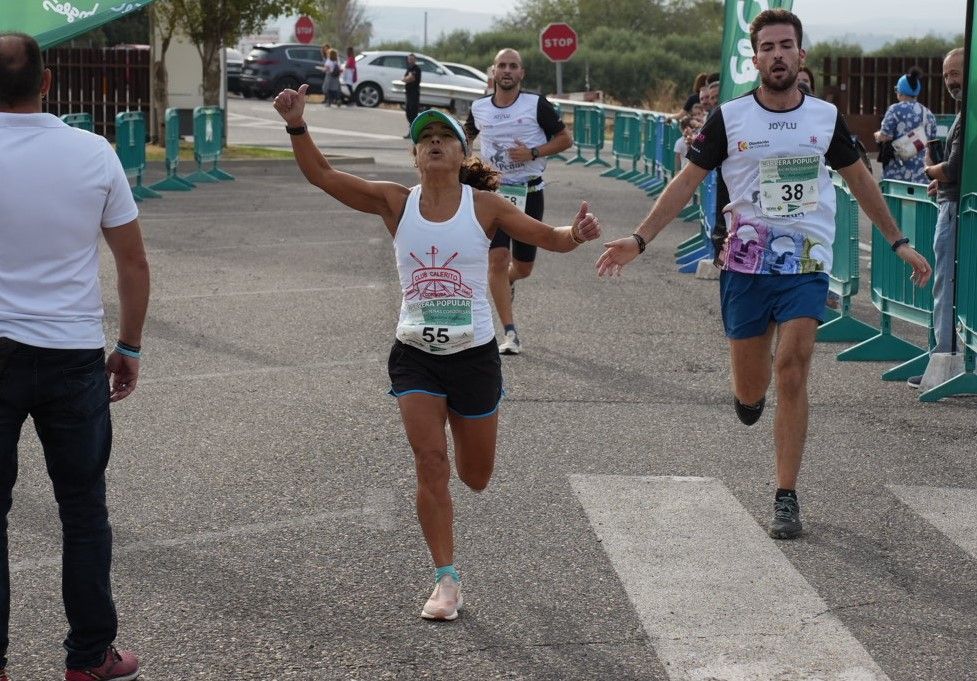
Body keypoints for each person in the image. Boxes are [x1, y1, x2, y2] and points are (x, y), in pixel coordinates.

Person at [596, 9, 931, 540]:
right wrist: (639, 240)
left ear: (801, 56)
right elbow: (687, 181)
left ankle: (785, 495)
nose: (777, 54)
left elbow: (861, 179)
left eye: (786, 45)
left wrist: (900, 242)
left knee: (793, 369)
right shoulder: (729, 118)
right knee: (752, 393)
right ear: (756, 59)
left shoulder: (823, 117)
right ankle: (748, 399)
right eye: (768, 46)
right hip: (745, 265)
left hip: (806, 263)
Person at [272, 86, 601, 619]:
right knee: (430, 463)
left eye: (444, 136)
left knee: (476, 476)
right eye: (424, 138)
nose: (433, 144)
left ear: (461, 153)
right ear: (414, 155)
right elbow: (325, 178)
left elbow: (549, 237)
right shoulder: (396, 203)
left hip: (473, 355)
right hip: (414, 354)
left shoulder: (487, 206)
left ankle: (480, 429)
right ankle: (445, 581)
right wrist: (296, 125)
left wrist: (577, 233)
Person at [0, 33, 149, 681]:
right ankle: (88, 658)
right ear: (49, 81)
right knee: (83, 510)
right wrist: (131, 346)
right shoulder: (94, 153)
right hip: (71, 355)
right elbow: (133, 263)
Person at [463, 48, 573, 355]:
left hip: (529, 192)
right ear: (493, 72)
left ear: (521, 73)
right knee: (496, 260)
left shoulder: (536, 104)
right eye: (502, 65)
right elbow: (463, 140)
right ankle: (510, 333)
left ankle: (511, 280)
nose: (507, 70)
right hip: (492, 194)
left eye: (513, 66)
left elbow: (565, 140)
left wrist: (534, 152)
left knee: (523, 267)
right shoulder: (479, 107)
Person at [909, 48, 965, 388]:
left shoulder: (968, 113)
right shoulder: (962, 112)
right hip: (954, 202)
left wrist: (931, 168)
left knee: (947, 285)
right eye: (946, 75)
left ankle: (945, 360)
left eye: (956, 73)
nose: (950, 81)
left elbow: (955, 167)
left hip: (956, 211)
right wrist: (939, 181)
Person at [874, 67, 937, 184]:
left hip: (897, 173)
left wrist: (877, 135)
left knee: (894, 202)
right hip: (922, 174)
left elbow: (885, 136)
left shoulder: (895, 109)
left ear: (900, 91)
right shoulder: (928, 113)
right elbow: (932, 141)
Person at [403, 53, 421, 137]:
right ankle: (410, 131)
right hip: (408, 93)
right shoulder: (409, 68)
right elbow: (404, 78)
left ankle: (414, 132)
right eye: (409, 59)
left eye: (412, 59)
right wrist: (406, 78)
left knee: (413, 113)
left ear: (415, 60)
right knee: (408, 113)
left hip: (414, 94)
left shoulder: (416, 69)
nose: (410, 60)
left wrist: (407, 78)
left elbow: (411, 78)